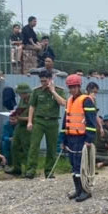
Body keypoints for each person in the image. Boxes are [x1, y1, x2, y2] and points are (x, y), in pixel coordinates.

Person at [62, 73, 98, 201]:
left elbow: (91, 121)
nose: (72, 89)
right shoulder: (69, 101)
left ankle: (85, 191)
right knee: (73, 165)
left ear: (79, 86)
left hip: (81, 138)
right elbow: (65, 120)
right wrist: (63, 139)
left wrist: (89, 139)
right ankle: (78, 190)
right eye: (70, 87)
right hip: (71, 138)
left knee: (81, 165)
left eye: (74, 87)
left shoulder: (86, 100)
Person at [25, 73, 61, 179]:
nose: (43, 83)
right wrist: (29, 121)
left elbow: (63, 102)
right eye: (41, 81)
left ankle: (49, 171)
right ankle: (31, 170)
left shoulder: (58, 90)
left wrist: (53, 91)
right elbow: (32, 106)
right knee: (34, 145)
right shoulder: (36, 91)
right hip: (40, 121)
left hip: (53, 122)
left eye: (45, 81)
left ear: (50, 80)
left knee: (52, 147)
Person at [7, 83, 32, 175]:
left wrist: (20, 118)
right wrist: (14, 112)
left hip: (28, 127)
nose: (20, 95)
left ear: (26, 92)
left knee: (27, 148)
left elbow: (33, 117)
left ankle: (28, 169)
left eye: (21, 94)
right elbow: (19, 109)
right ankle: (16, 168)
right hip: (19, 126)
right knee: (14, 146)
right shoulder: (22, 99)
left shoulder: (33, 101)